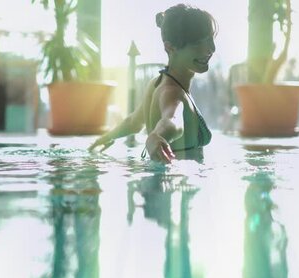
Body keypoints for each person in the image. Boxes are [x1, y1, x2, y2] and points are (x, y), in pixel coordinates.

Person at [88, 4, 217, 163]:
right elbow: (172, 121)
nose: (211, 48)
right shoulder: (172, 92)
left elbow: (134, 122)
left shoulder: (156, 83)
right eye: (198, 43)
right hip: (175, 181)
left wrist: (107, 137)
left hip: (158, 181)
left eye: (211, 38)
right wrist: (157, 136)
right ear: (170, 47)